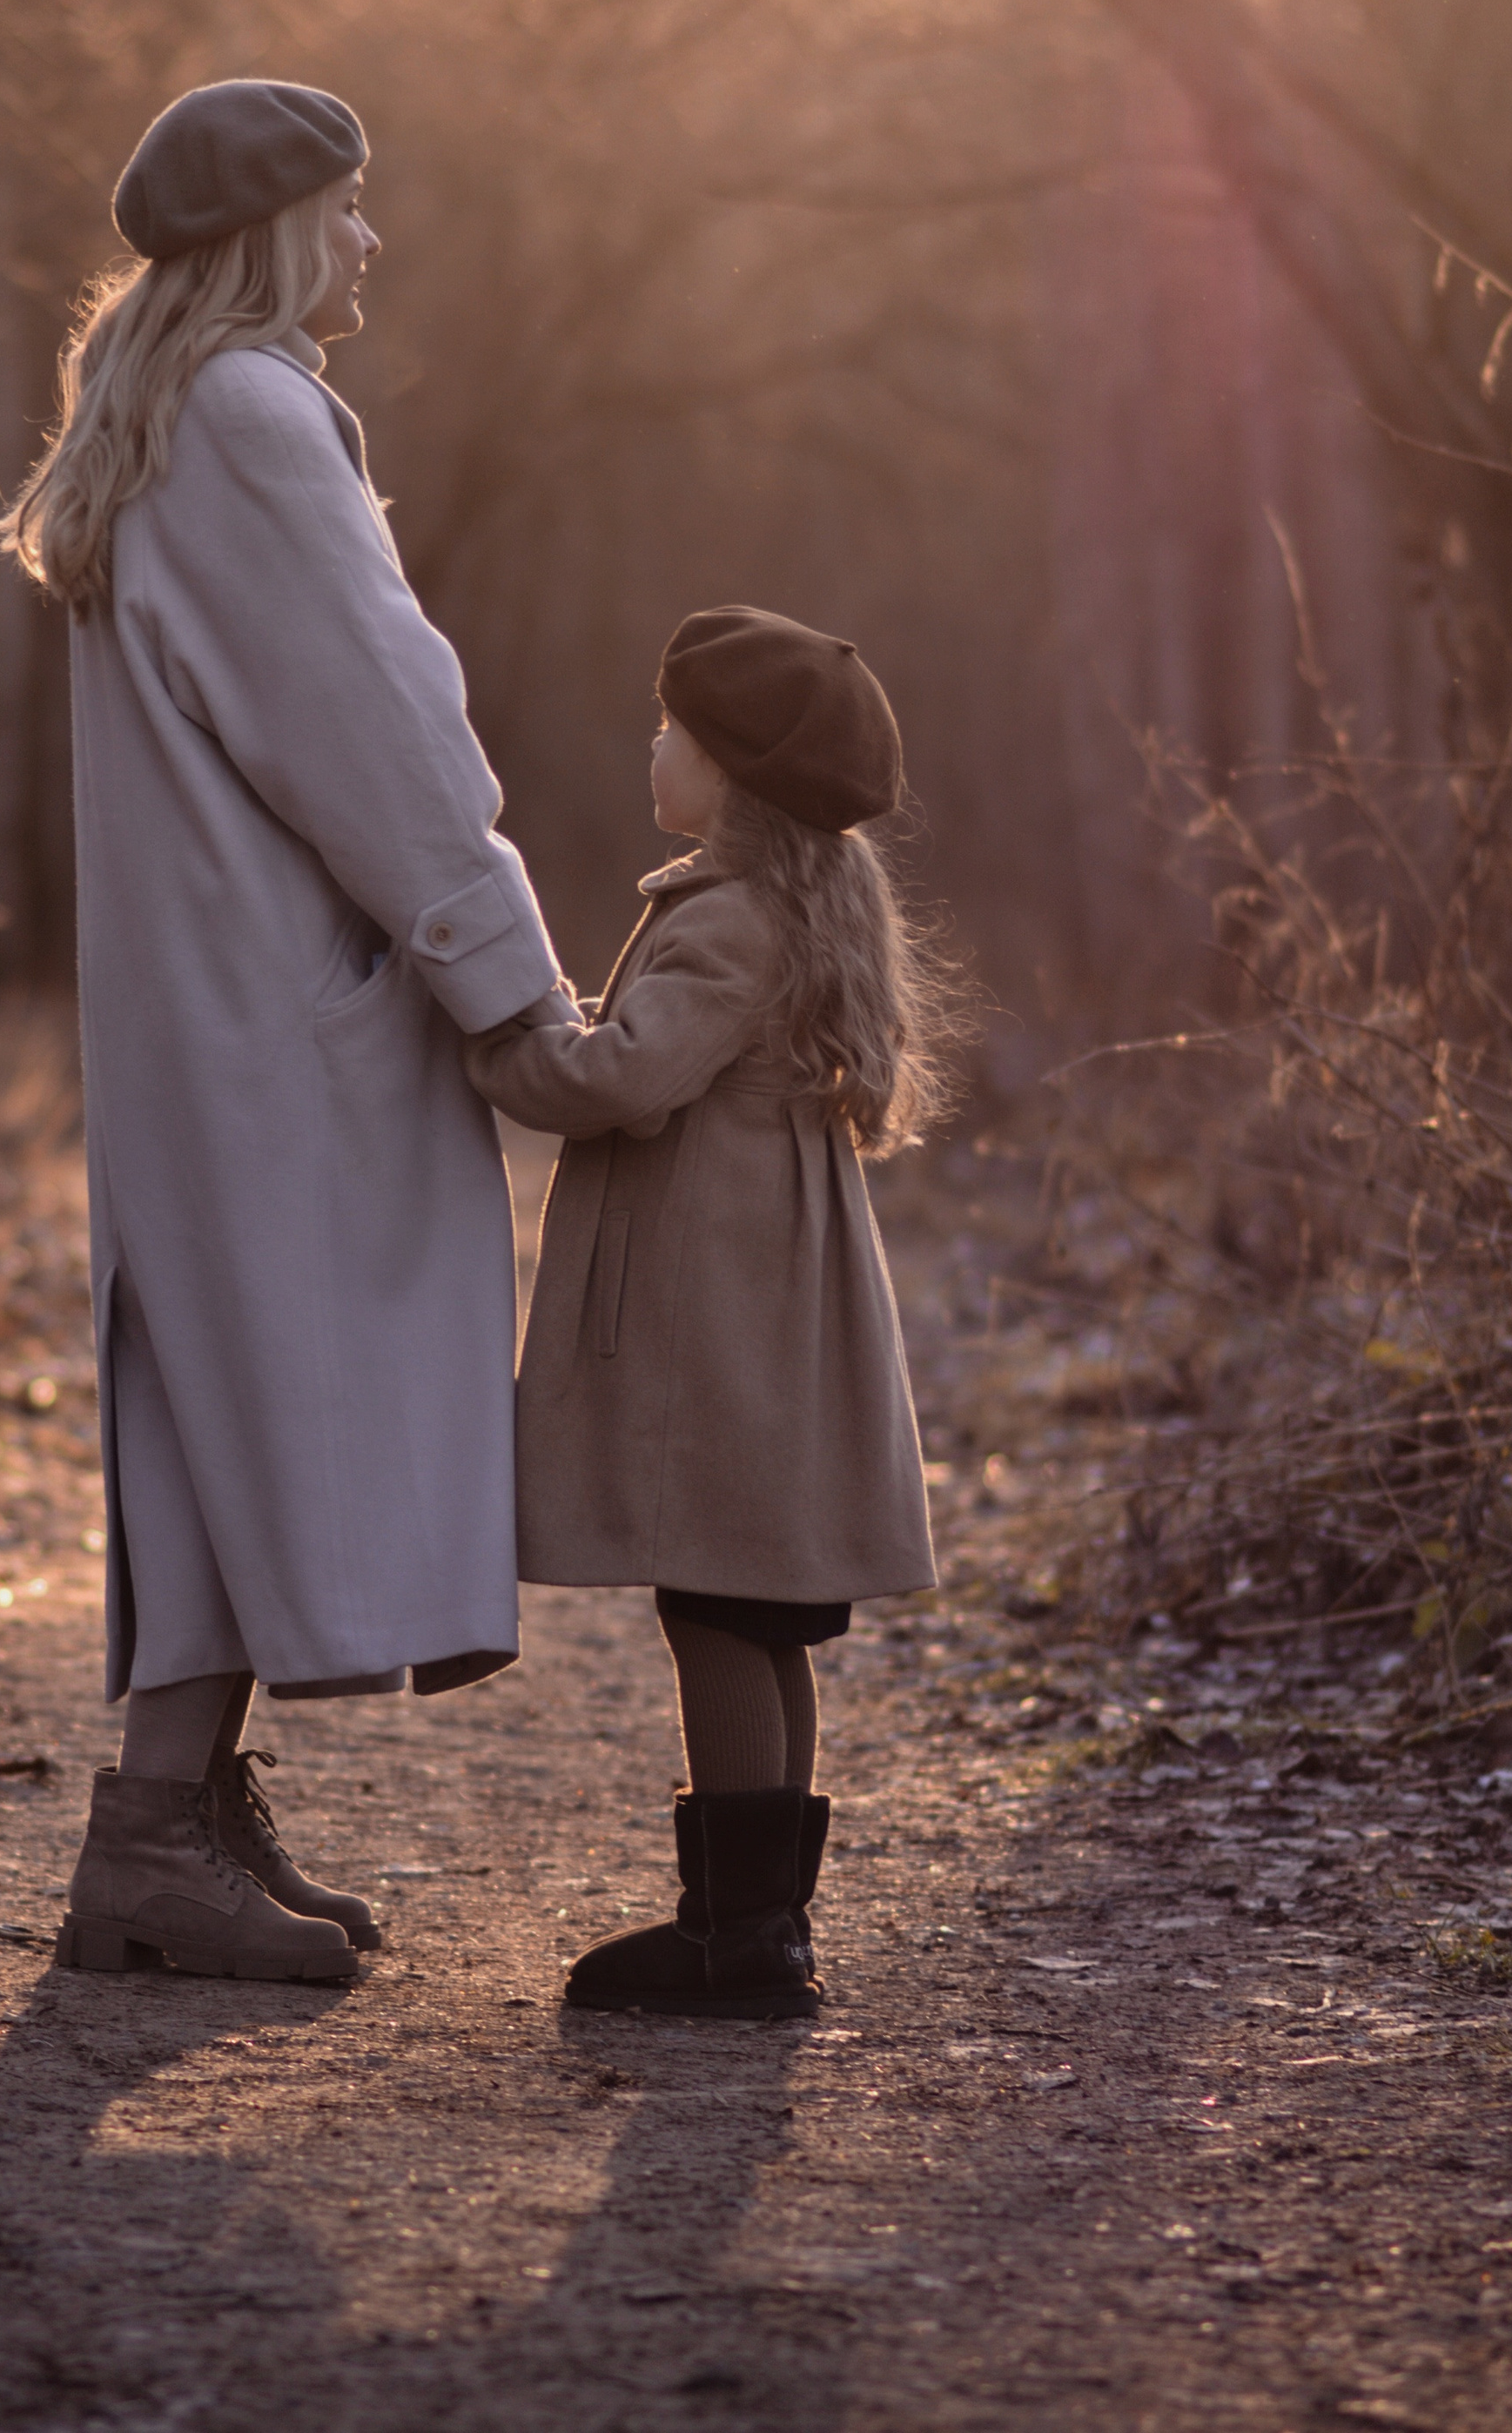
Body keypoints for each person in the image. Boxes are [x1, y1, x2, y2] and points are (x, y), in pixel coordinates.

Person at [0, 78, 575, 1986]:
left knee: (208, 1393)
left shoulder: (161, 415)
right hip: (284, 1012)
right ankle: (158, 1833)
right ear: (272, 230)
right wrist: (504, 981)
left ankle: (172, 1821)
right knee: (267, 1386)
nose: (372, 240)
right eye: (348, 206)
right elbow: (376, 728)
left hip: (210, 1012)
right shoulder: (246, 421)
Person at [463, 608, 951, 2020]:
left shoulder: (728, 924)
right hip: (773, 1321)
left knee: (724, 1607)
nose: (655, 744)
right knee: (764, 1612)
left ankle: (737, 1941)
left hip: (725, 1331)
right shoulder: (789, 913)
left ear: (734, 772)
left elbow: (618, 1080)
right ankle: (763, 1923)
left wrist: (493, 1033)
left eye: (674, 727)